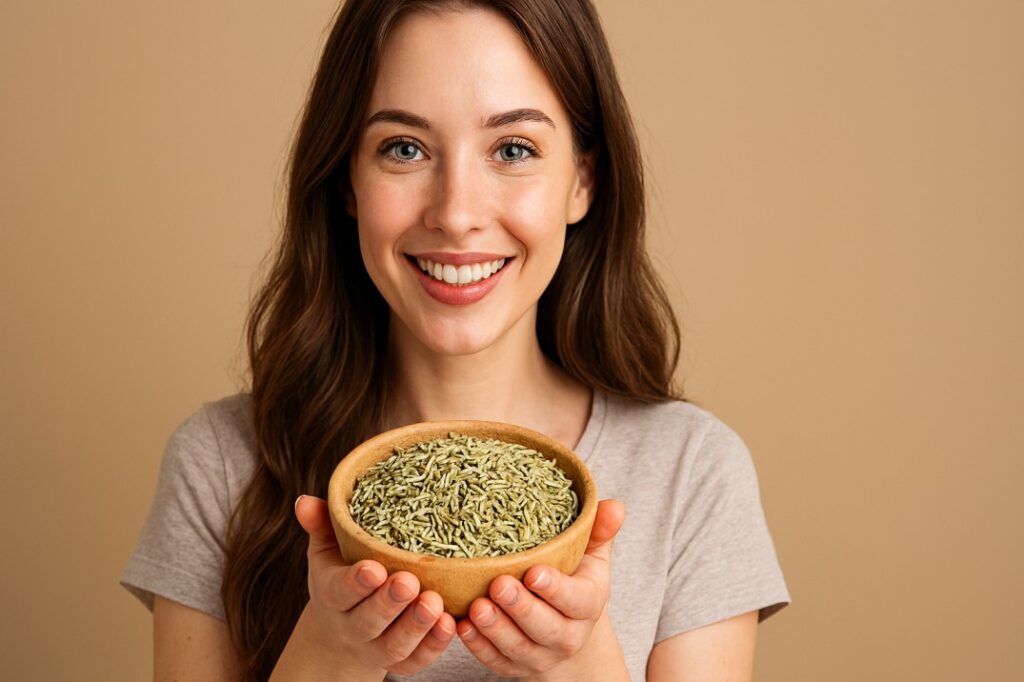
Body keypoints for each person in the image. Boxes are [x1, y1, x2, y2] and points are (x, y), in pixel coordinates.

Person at [119, 0, 791, 679]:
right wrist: (328, 653)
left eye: (513, 149)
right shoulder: (222, 467)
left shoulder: (691, 473)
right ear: (348, 178)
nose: (457, 214)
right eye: (404, 148)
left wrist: (577, 659)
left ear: (583, 180)